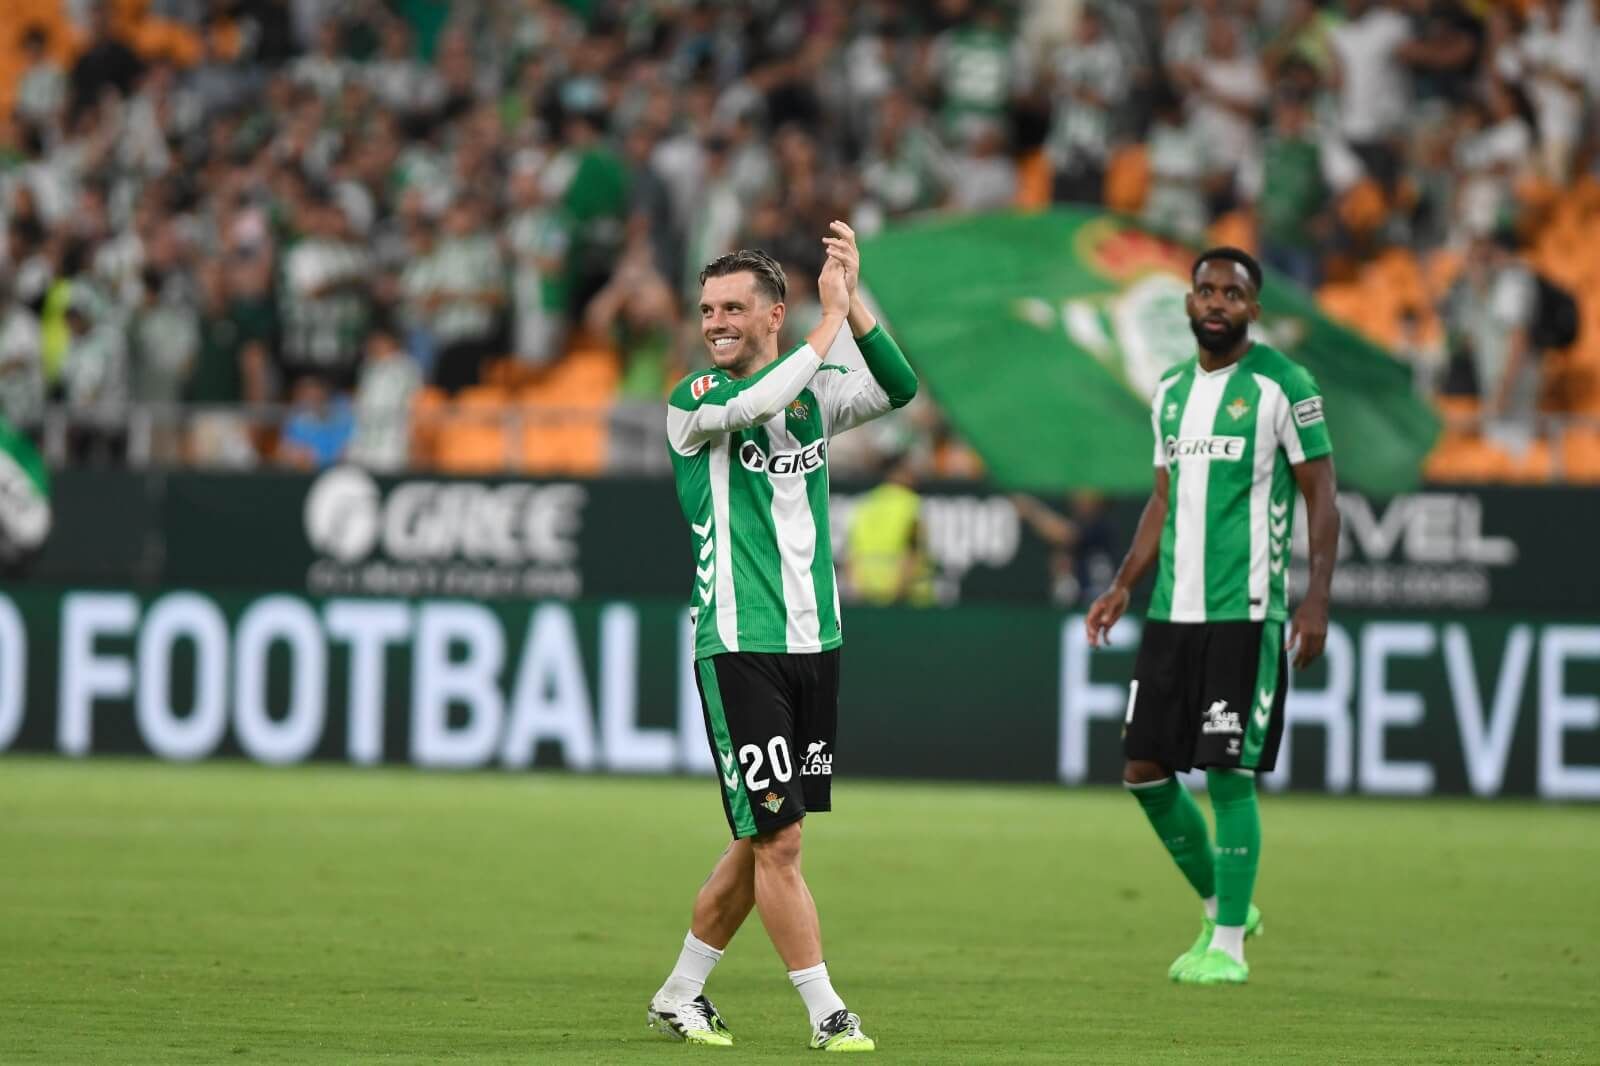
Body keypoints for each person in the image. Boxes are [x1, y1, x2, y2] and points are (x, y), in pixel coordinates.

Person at [649, 227, 917, 1051]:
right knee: (781, 836)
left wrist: (852, 298)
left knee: (762, 832)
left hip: (815, 640)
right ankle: (827, 1010)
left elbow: (899, 388)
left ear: (773, 311)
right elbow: (758, 403)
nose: (716, 322)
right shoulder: (692, 402)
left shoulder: (814, 393)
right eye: (706, 309)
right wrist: (826, 327)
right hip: (737, 642)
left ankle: (680, 991)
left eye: (733, 307)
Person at [1084, 248, 1340, 986]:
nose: (1218, 301)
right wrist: (1126, 582)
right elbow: (1162, 500)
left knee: (1228, 772)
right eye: (1206, 290)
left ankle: (1227, 944)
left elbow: (1322, 495)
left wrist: (1316, 597)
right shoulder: (1168, 393)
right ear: (1188, 304)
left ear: (1253, 309)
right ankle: (1223, 902)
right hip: (1173, 612)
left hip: (1245, 609)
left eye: (1233, 292)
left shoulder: (1283, 386)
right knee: (1142, 768)